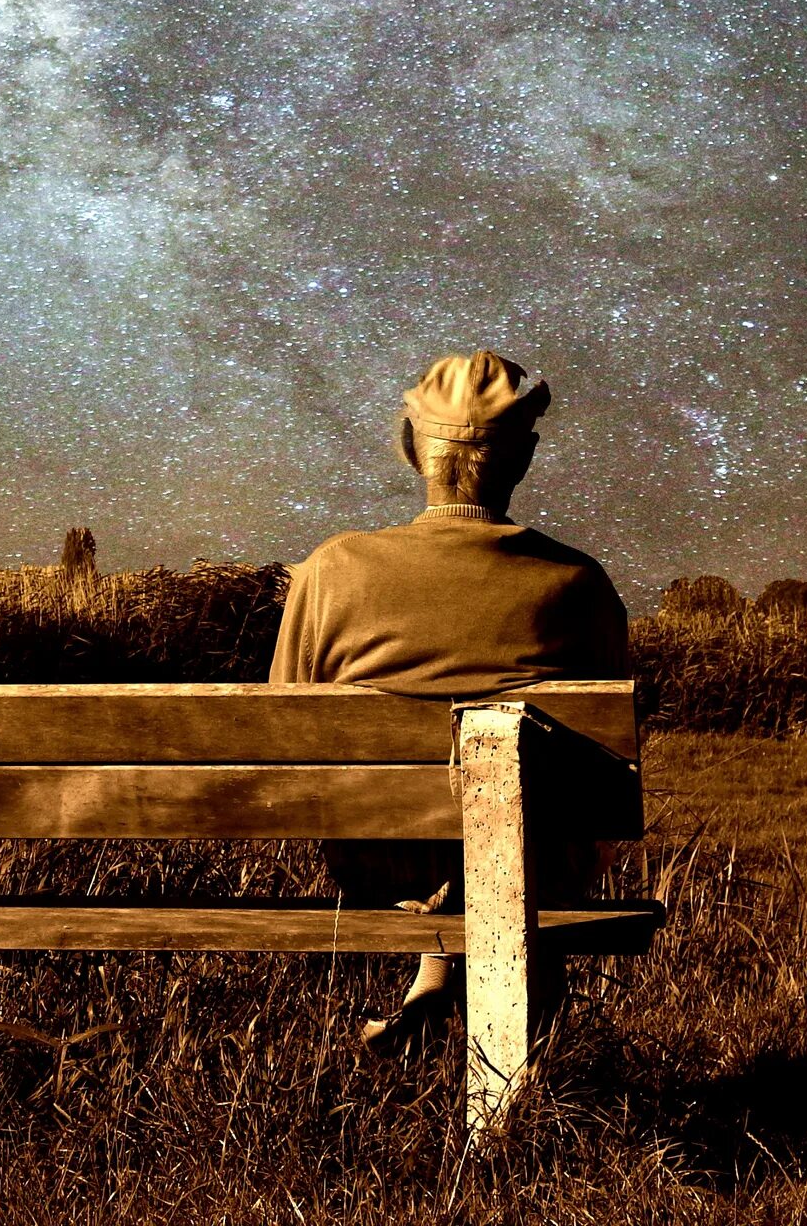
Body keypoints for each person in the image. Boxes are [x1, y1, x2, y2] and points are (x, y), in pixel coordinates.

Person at [268, 349, 630, 1053]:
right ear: (522, 460)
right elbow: (609, 765)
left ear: (412, 450)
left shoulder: (331, 569)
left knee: (444, 825)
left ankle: (433, 982)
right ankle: (521, 1081)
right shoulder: (577, 583)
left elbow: (285, 728)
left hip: (375, 862)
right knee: (533, 820)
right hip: (538, 857)